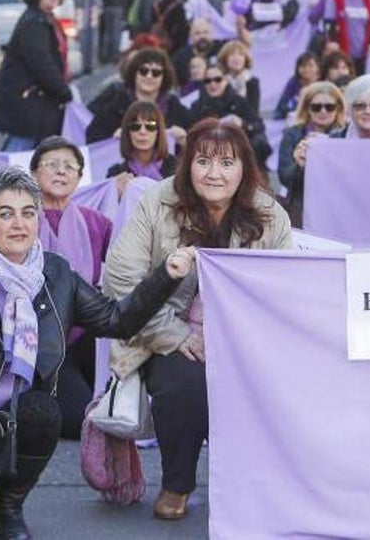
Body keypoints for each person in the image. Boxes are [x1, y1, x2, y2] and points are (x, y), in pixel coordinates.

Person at [0, 166, 190, 540]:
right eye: (5, 213)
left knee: (44, 412)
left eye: (28, 213)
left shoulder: (55, 275)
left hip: (10, 421)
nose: (19, 224)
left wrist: (166, 276)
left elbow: (116, 320)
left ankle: (7, 506)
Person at [103, 119, 293, 520]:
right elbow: (120, 281)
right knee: (183, 385)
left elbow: (287, 284)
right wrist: (174, 335)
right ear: (188, 164)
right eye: (203, 161)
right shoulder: (157, 201)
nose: (214, 173)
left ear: (245, 168)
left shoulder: (269, 213)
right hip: (165, 333)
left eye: (227, 163)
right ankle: (177, 483)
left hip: (244, 338)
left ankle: (256, 485)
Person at [26, 137, 114, 439]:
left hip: (89, 334)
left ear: (79, 177)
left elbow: (125, 269)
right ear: (34, 174)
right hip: (42, 339)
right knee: (77, 421)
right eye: (52, 165)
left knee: (118, 406)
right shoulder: (19, 222)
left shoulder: (98, 223)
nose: (61, 172)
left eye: (69, 167)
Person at [0, 0, 73, 152]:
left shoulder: (44, 18)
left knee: (29, 153)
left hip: (35, 100)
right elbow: (41, 62)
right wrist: (62, 90)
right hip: (27, 101)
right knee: (17, 157)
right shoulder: (34, 23)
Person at [85, 47, 192, 145]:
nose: (149, 76)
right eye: (143, 71)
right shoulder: (117, 103)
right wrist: (112, 138)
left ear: (164, 77)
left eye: (156, 73)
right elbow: (92, 137)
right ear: (134, 73)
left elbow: (197, 138)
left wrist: (184, 139)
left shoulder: (173, 105)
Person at [278, 82, 347, 226]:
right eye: (316, 107)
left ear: (338, 108)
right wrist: (300, 165)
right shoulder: (292, 134)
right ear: (307, 109)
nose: (323, 111)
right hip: (302, 205)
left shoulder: (347, 136)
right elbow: (284, 177)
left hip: (339, 207)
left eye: (329, 107)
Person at [190, 63, 272, 169]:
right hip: (208, 157)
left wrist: (242, 123)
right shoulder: (197, 107)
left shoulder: (239, 101)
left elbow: (259, 125)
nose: (212, 84)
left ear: (226, 80)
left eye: (217, 79)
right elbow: (191, 133)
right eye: (208, 81)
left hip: (241, 157)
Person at [106, 101, 179, 194]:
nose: (142, 132)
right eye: (135, 126)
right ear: (127, 133)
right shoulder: (116, 173)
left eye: (150, 126)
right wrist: (116, 193)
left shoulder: (178, 168)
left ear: (158, 132)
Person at [273, 51, 322, 120]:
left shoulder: (322, 83)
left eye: (311, 66)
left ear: (317, 67)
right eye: (303, 66)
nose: (307, 69)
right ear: (297, 68)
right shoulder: (293, 82)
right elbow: (282, 105)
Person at [216, 40, 260, 114]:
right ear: (225, 59)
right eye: (232, 55)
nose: (237, 58)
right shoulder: (218, 81)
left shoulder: (252, 82)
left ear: (245, 59)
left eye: (240, 55)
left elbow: (254, 111)